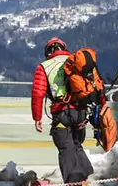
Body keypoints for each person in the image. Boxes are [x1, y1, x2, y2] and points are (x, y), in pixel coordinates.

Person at [30, 37, 94, 183]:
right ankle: (86, 177)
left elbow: (38, 93)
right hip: (81, 112)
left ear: (48, 52)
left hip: (61, 112)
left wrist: (37, 118)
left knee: (65, 147)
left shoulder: (44, 66)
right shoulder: (76, 61)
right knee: (76, 144)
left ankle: (74, 182)